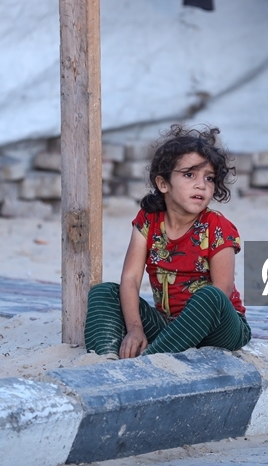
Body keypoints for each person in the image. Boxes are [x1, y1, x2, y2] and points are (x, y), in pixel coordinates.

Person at [84, 125, 251, 358]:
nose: (201, 185)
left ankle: (150, 360)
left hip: (220, 329)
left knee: (210, 296)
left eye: (209, 178)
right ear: (163, 184)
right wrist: (135, 329)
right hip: (170, 326)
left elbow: (221, 290)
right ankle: (105, 360)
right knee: (104, 293)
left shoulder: (218, 227)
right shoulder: (148, 221)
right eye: (189, 175)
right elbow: (131, 278)